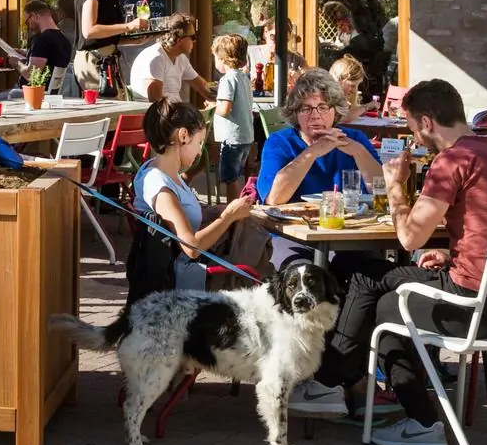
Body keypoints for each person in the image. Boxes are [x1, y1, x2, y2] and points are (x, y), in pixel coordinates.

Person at [343, 79, 487, 445]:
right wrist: (455, 255)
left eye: (413, 128)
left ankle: (421, 422)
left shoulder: (452, 160)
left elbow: (409, 239)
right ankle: (337, 380)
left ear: (428, 122)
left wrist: (396, 188)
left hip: (472, 305)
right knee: (373, 281)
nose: (414, 138)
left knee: (386, 304)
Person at [133, 99, 257, 293]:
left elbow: (182, 217)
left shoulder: (163, 172)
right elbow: (190, 247)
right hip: (182, 278)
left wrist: (212, 212)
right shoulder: (160, 186)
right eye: (199, 143)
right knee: (256, 251)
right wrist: (228, 217)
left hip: (186, 268)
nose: (200, 151)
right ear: (183, 136)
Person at [256, 66, 382, 214]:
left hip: (349, 228)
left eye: (323, 107)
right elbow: (273, 199)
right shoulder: (279, 142)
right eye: (306, 109)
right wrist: (312, 152)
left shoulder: (354, 139)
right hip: (294, 229)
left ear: (336, 111)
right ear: (295, 113)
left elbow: (383, 190)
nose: (315, 116)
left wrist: (359, 152)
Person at [128, 14, 210, 107]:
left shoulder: (180, 58)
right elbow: (156, 101)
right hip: (152, 115)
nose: (194, 41)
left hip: (173, 112)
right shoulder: (156, 58)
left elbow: (203, 88)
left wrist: (223, 99)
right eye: (193, 37)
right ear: (179, 39)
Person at [211, 34, 256, 198]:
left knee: (230, 178)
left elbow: (225, 108)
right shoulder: (243, 78)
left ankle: (234, 211)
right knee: (236, 175)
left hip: (232, 138)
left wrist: (212, 107)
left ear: (223, 59)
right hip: (245, 136)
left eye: (215, 57)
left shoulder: (227, 80)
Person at [21, 0, 73, 74]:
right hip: (56, 85)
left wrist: (17, 63)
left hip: (37, 86)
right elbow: (47, 56)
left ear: (34, 16)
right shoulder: (63, 39)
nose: (29, 27)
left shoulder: (41, 40)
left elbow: (31, 74)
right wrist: (25, 53)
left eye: (27, 22)